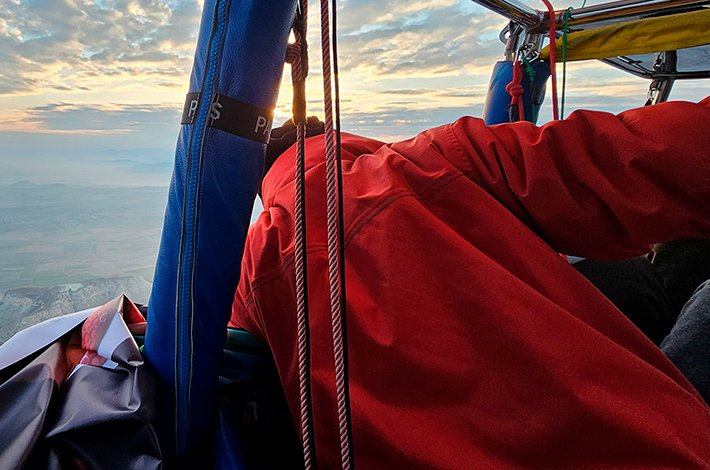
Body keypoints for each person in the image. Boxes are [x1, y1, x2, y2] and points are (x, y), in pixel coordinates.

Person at [229, 98, 709, 469]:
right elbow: (629, 156)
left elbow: (221, 366)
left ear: (264, 184)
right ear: (339, 138)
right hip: (641, 446)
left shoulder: (256, 267)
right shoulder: (442, 159)